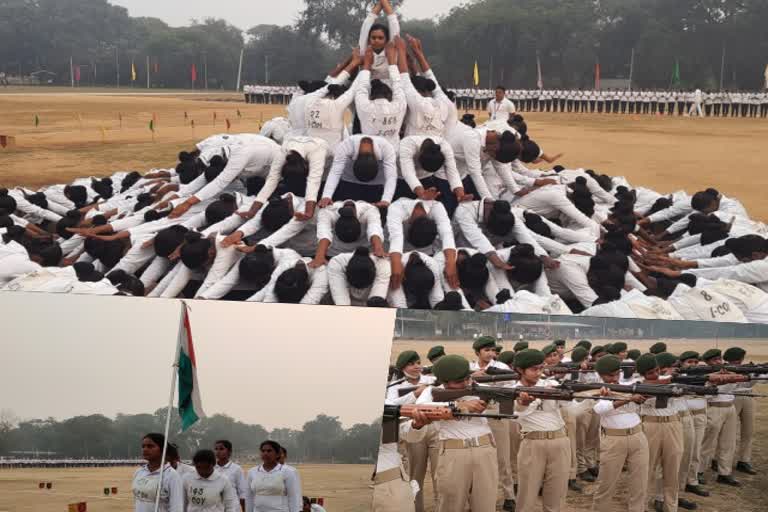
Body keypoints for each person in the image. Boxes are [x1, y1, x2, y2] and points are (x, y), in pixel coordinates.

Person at [406, 354, 498, 512]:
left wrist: (522, 401)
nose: (465, 383)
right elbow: (421, 408)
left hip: (484, 449)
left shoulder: (479, 388)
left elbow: (512, 408)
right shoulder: (431, 392)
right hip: (453, 453)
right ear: (444, 382)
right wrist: (458, 405)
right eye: (458, 382)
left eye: (467, 379)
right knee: (450, 504)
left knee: (486, 505)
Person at [591, 355, 649, 512]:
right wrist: (628, 399)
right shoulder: (595, 388)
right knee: (606, 482)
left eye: (617, 374)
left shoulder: (627, 385)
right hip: (613, 438)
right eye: (610, 375)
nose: (614, 378)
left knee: (640, 481)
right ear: (600, 375)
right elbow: (600, 409)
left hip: (637, 435)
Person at [244, 440, 302, 512]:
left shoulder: (287, 472)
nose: (265, 453)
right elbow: (249, 497)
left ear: (277, 454)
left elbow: (293, 497)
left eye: (269, 451)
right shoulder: (252, 472)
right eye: (263, 451)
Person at [132, 433, 183, 512]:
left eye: (150, 446)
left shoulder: (171, 476)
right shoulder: (139, 472)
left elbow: (177, 507)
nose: (145, 449)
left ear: (163, 449)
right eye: (143, 446)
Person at [358, 0, 401, 83]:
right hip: (367, 92)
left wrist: (384, 2)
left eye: (380, 38)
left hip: (390, 92)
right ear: (369, 39)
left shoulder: (392, 53)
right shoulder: (365, 52)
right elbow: (366, 26)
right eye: (373, 38)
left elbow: (394, 24)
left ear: (386, 40)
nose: (376, 40)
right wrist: (381, 3)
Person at [214, 440, 248, 511]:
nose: (218, 451)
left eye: (221, 449)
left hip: (233, 507)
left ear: (229, 452)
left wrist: (244, 510)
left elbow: (242, 492)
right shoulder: (211, 468)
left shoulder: (237, 469)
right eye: (216, 449)